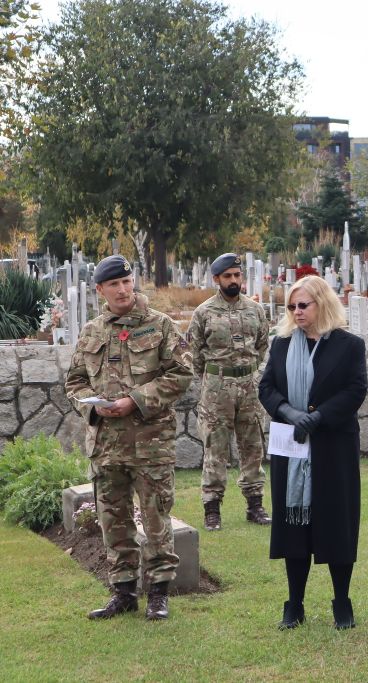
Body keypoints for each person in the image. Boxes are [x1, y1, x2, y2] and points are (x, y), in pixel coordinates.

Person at [64, 255, 192, 621]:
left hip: (150, 444)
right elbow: (74, 383)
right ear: (100, 290)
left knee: (155, 519)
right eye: (114, 284)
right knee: (113, 520)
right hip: (106, 446)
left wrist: (134, 400)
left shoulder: (160, 325)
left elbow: (181, 373)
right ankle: (123, 593)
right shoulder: (92, 332)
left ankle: (159, 593)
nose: (122, 289)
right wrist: (93, 408)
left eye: (126, 281)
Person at [258, 275, 367, 630]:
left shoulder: (349, 345)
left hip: (333, 446)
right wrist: (290, 413)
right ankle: (294, 604)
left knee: (337, 522)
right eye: (291, 306)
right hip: (292, 446)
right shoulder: (282, 344)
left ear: (322, 303)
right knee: (293, 525)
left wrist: (318, 417)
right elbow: (267, 387)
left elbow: (355, 390)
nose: (296, 312)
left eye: (303, 305)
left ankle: (342, 602)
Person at [188, 253, 271, 531]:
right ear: (217, 279)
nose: (234, 280)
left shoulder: (255, 310)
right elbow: (195, 353)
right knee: (215, 448)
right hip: (217, 389)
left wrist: (252, 373)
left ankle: (255, 505)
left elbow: (262, 346)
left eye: (237, 275)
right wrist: (211, 379)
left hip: (249, 387)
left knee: (253, 447)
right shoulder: (203, 313)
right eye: (228, 276)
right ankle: (212, 509)